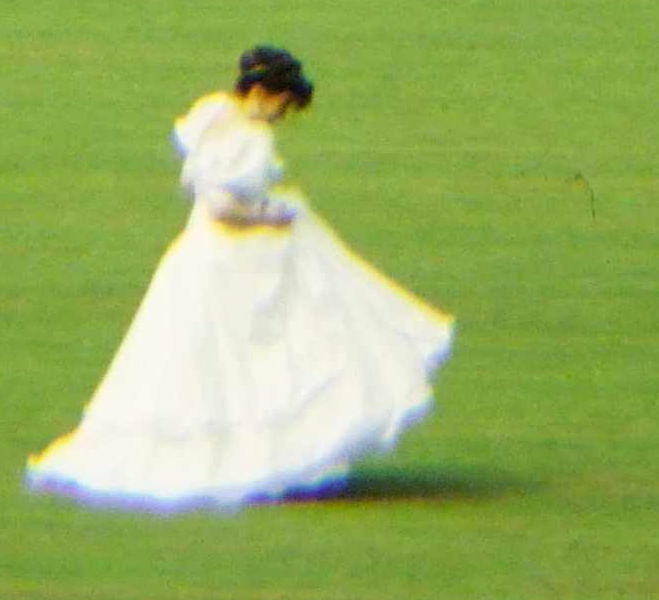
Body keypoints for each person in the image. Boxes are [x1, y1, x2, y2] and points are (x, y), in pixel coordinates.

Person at [26, 44, 454, 512]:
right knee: (256, 351)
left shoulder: (213, 117)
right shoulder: (250, 139)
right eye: (281, 104)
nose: (280, 115)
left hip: (196, 256)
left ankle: (224, 451)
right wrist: (270, 216)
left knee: (195, 359)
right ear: (264, 94)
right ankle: (261, 452)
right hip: (232, 260)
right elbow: (225, 208)